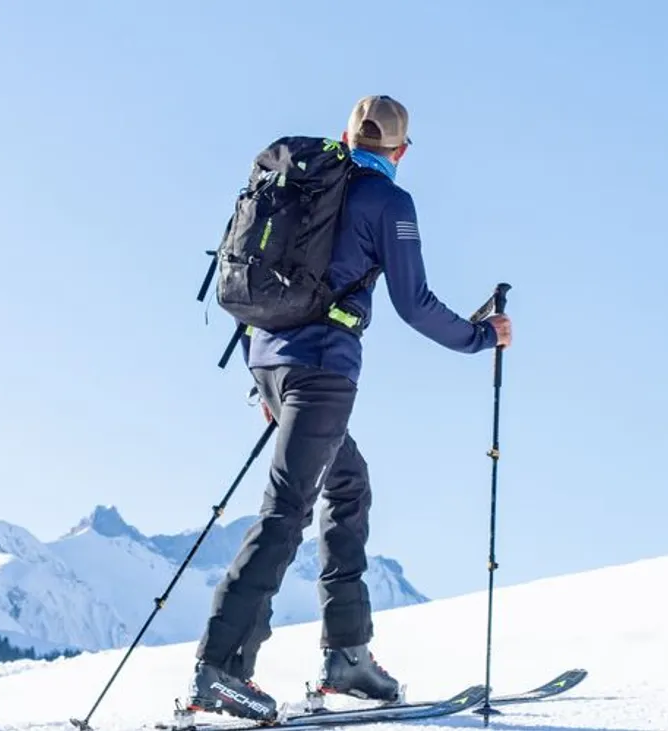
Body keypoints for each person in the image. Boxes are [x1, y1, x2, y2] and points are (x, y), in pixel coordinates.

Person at [185, 94, 514, 722]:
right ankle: (220, 669)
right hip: (323, 371)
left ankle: (347, 657)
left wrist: (266, 385)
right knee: (286, 510)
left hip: (272, 361)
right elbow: (415, 304)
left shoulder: (306, 182)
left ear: (346, 134)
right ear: (402, 150)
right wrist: (481, 337)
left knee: (348, 485)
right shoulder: (390, 201)